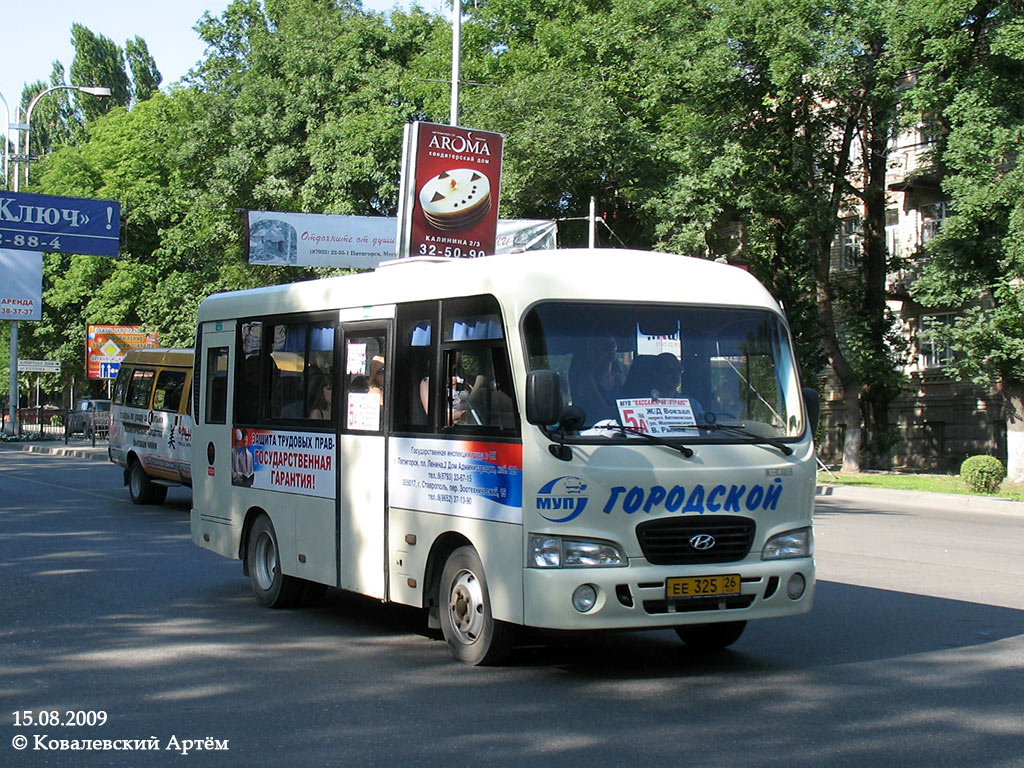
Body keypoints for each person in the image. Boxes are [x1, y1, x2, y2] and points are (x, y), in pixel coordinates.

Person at [568, 336, 625, 425]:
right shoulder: (586, 380)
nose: (612, 348)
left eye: (613, 344)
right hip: (593, 432)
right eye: (606, 345)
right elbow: (603, 412)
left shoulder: (619, 378)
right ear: (593, 350)